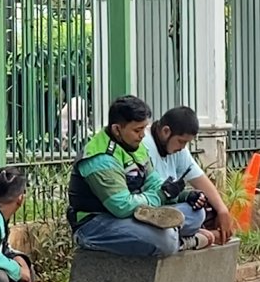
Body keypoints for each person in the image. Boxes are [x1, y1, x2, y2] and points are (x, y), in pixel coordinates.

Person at [67, 95, 212, 257]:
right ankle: (181, 242)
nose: (143, 135)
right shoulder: (101, 158)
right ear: (117, 129)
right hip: (97, 224)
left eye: (144, 129)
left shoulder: (135, 146)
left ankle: (169, 234)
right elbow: (122, 207)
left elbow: (154, 183)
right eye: (137, 130)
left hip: (134, 214)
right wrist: (161, 195)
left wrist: (181, 196)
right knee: (167, 240)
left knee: (196, 213)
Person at [143, 106, 233, 245]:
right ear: (166, 131)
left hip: (169, 208)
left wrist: (222, 210)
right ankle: (194, 238)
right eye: (181, 141)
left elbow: (198, 178)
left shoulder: (175, 146)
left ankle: (192, 233)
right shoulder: (144, 144)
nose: (183, 147)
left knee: (201, 211)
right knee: (188, 216)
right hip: (148, 210)